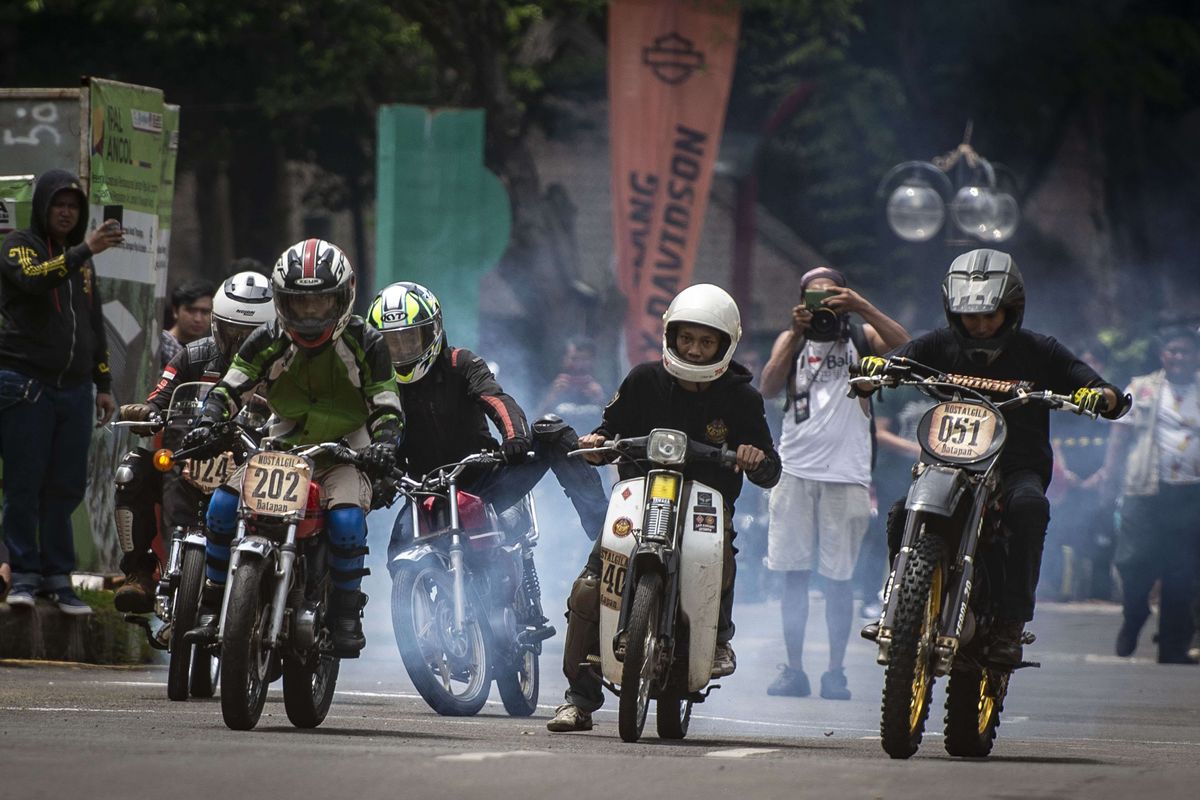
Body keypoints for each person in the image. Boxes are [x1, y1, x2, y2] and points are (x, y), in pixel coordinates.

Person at [861, 248, 1128, 665]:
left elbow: (1099, 386)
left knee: (1029, 507)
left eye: (991, 315)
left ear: (1012, 310)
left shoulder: (1040, 350)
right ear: (954, 312)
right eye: (971, 315)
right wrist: (880, 368)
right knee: (899, 511)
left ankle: (1010, 623)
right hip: (950, 461)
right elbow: (901, 358)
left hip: (1016, 465)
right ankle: (898, 605)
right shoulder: (939, 343)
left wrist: (1101, 396)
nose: (981, 325)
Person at [546, 283, 781, 733]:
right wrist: (596, 444)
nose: (695, 350)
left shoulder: (742, 398)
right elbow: (608, 431)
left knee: (721, 559)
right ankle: (579, 699)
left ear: (725, 344)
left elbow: (770, 467)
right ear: (671, 337)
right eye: (687, 339)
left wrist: (754, 457)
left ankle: (717, 639)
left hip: (705, 509)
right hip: (637, 499)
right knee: (591, 586)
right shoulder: (642, 380)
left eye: (706, 342)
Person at [180, 239, 403, 657]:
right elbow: (232, 385)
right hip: (279, 444)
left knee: (347, 522)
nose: (310, 315)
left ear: (343, 296)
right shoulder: (266, 337)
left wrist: (386, 443)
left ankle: (345, 611)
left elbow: (386, 404)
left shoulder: (367, 341)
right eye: (300, 304)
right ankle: (212, 602)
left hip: (344, 449)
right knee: (221, 509)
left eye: (320, 303)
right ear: (283, 303)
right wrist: (208, 419)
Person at [366, 282, 609, 610]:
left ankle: (604, 539)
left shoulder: (460, 362)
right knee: (395, 558)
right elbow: (370, 430)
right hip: (426, 490)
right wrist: (374, 469)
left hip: (485, 477)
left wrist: (515, 437)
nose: (402, 351)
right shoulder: (381, 386)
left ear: (433, 331)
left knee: (553, 430)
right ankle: (434, 619)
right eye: (392, 344)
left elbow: (496, 398)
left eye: (410, 339)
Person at [758, 266, 909, 700]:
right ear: (802, 301)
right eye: (814, 299)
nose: (823, 307)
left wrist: (861, 305)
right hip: (795, 469)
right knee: (792, 574)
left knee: (839, 578)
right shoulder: (793, 339)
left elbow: (906, 345)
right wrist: (793, 332)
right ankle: (794, 669)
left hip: (847, 474)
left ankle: (835, 672)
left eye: (832, 297)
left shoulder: (863, 338)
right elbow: (768, 387)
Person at [112, 272, 275, 613]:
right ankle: (139, 572)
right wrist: (149, 411)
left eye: (251, 335)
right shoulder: (194, 355)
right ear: (217, 325)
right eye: (232, 331)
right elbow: (162, 395)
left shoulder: (281, 364)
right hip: (191, 453)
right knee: (132, 471)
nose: (240, 343)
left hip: (254, 463)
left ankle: (274, 581)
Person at [0, 169, 122, 614]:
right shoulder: (17, 246)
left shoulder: (82, 263)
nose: (66, 212)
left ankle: (58, 578)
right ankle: (24, 577)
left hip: (74, 390)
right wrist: (85, 249)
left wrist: (104, 384)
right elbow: (34, 278)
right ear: (42, 207)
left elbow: (93, 325)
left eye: (73, 205)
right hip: (24, 384)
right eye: (58, 204)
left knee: (66, 485)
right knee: (24, 483)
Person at [1102, 326, 1200, 663]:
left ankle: (1172, 648)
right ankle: (1134, 615)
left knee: (1182, 572)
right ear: (1163, 355)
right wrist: (1108, 479)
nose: (1178, 357)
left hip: (1190, 495)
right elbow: (1120, 435)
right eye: (1172, 351)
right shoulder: (1141, 388)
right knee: (1133, 562)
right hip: (1144, 492)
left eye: (1186, 351)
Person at [1043, 339, 1117, 602]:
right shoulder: (1064, 395)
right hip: (1066, 482)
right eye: (1084, 362)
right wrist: (1063, 471)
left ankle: (1100, 593)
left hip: (1100, 482)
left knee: (1100, 538)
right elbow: (1052, 435)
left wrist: (1103, 475)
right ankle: (1057, 591)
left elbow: (1119, 441)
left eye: (1095, 362)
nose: (1089, 367)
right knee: (1058, 532)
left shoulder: (1110, 398)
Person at [538, 337, 608, 434]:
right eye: (574, 359)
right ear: (564, 359)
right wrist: (551, 398)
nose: (579, 365)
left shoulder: (605, 389)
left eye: (584, 359)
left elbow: (616, 425)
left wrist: (601, 400)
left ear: (593, 361)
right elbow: (534, 423)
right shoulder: (550, 388)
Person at [160, 279, 216, 367]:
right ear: (175, 311)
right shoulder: (160, 347)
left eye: (205, 312)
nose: (198, 319)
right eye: (191, 310)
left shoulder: (212, 354)